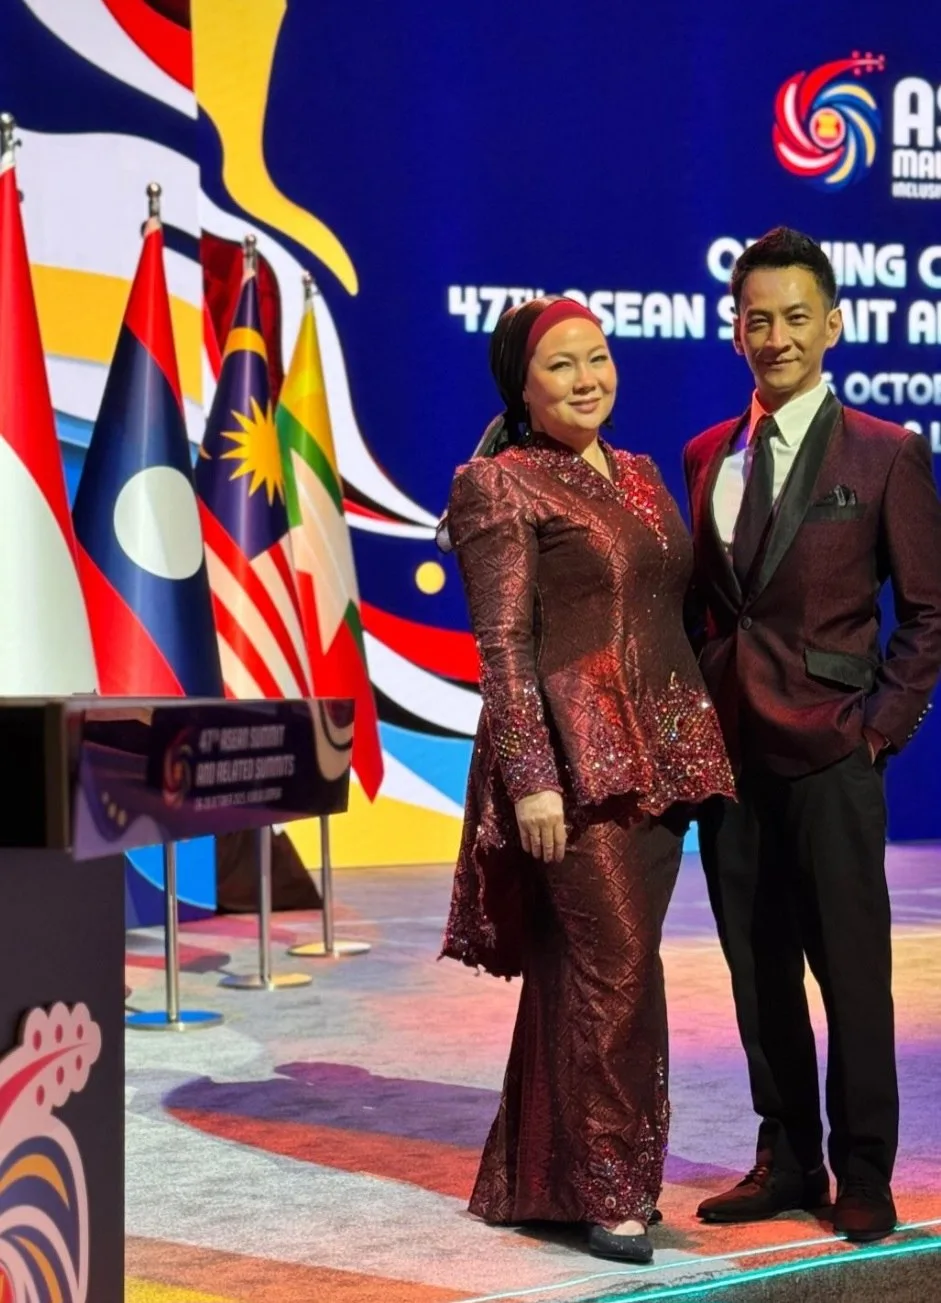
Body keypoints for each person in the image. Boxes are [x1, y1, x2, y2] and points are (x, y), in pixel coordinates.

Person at [441, 296, 734, 1263]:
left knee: (585, 973)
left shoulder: (642, 473)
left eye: (596, 358)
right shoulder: (498, 483)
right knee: (618, 972)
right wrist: (531, 778)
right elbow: (502, 647)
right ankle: (614, 1190)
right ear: (521, 387)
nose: (585, 379)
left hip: (664, 758)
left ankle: (539, 1178)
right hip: (571, 767)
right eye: (560, 365)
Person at [684, 227, 941, 1243]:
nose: (776, 336)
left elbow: (927, 612)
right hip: (728, 759)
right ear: (734, 330)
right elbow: (707, 611)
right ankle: (786, 1156)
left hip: (833, 753)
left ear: (832, 325)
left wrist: (876, 730)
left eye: (796, 317)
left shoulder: (885, 453)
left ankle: (863, 1169)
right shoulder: (705, 453)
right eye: (758, 319)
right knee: (757, 973)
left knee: (850, 973)